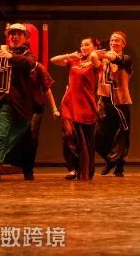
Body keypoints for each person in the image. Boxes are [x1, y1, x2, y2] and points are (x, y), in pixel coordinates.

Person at [0, 23, 51, 182]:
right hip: (3, 100)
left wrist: (10, 57)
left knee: (23, 136)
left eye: (18, 34)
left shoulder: (28, 55)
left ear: (25, 38)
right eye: (12, 34)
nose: (14, 37)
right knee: (1, 131)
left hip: (23, 105)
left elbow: (29, 64)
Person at [52, 37, 104, 180]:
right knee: (68, 134)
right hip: (69, 104)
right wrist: (70, 55)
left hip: (86, 105)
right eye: (82, 45)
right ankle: (72, 167)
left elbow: (94, 59)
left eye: (87, 45)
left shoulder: (96, 63)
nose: (83, 47)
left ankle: (83, 169)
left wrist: (95, 53)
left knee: (84, 141)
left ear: (94, 47)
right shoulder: (75, 61)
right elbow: (53, 60)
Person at [95, 31, 134, 177]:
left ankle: (119, 165)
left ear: (124, 44)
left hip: (120, 102)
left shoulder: (126, 59)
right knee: (98, 136)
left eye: (117, 40)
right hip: (104, 101)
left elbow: (115, 58)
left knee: (121, 136)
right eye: (112, 40)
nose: (113, 42)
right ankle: (111, 160)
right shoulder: (103, 60)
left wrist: (103, 54)